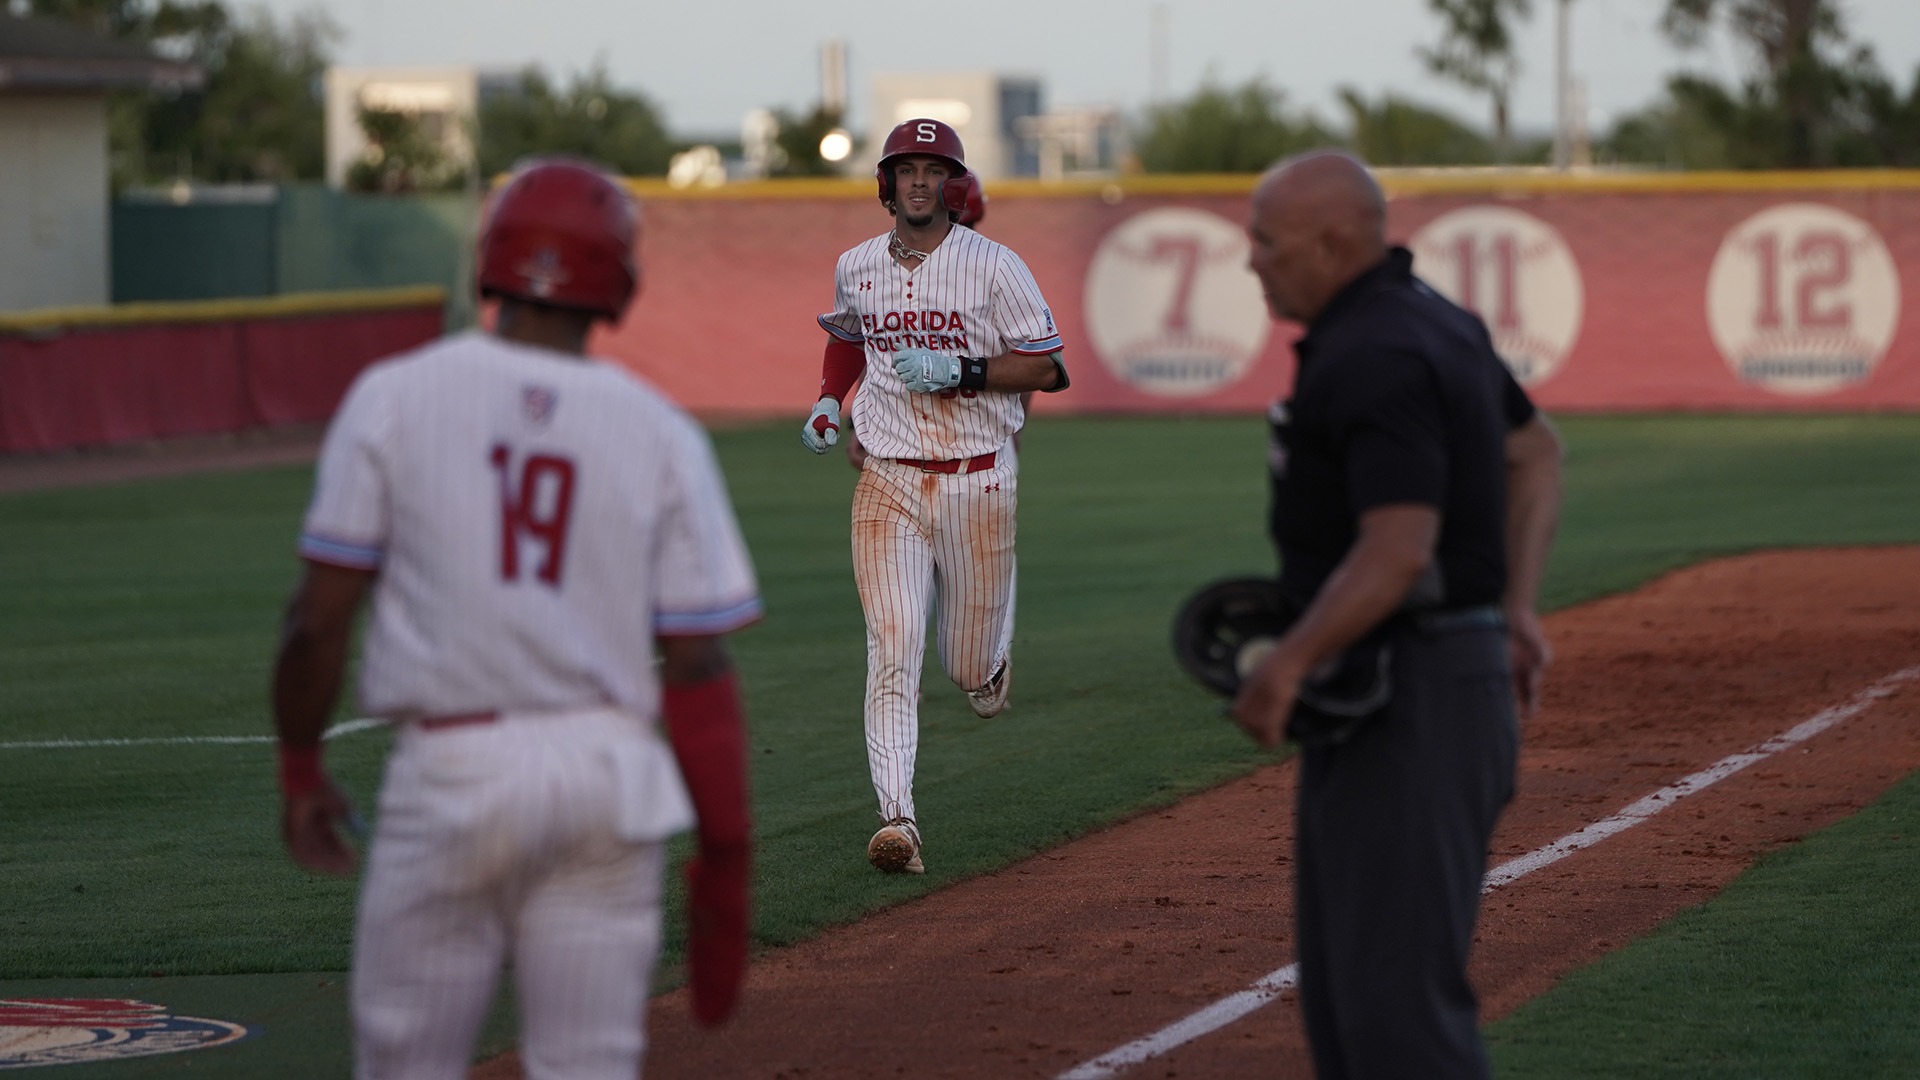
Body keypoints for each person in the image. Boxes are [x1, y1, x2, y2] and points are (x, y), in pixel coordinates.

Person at [271, 158, 760, 1079]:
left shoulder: (396, 395)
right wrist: (727, 853)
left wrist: (301, 765)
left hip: (451, 771)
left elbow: (319, 616)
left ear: (488, 263)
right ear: (619, 283)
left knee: (405, 1064)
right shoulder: (658, 431)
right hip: (606, 777)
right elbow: (696, 659)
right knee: (586, 1065)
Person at [1230, 150, 1563, 1079]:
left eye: (1265, 239)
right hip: (1418, 685)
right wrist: (1516, 609)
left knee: (1395, 1022)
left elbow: (1398, 548)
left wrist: (1288, 662)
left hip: (1410, 698)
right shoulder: (1435, 321)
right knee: (1351, 1003)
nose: (1251, 260)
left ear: (1333, 241)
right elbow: (1535, 455)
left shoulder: (1372, 351)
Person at [799, 118, 1069, 875]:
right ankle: (897, 819)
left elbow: (1049, 369)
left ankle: (989, 666)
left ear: (950, 184)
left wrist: (963, 372)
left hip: (979, 475)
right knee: (893, 645)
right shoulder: (856, 264)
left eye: (933, 170)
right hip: (887, 475)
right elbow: (848, 334)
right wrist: (828, 399)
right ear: (885, 183)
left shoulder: (994, 265)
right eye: (905, 169)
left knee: (964, 666)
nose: (919, 182)